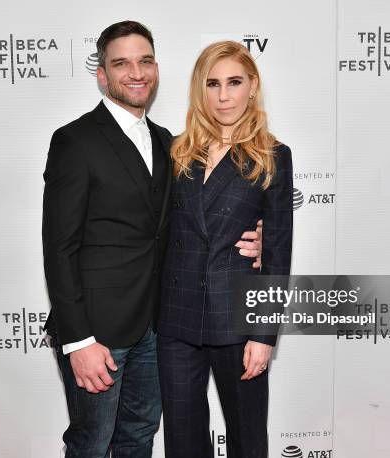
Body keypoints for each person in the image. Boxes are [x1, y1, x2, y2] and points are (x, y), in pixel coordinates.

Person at [41, 22, 262, 458]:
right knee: (91, 442)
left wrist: (259, 238)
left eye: (144, 61)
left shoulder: (172, 144)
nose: (135, 72)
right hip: (99, 334)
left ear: (156, 69)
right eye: (121, 63)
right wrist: (79, 341)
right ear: (102, 74)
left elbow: (198, 219)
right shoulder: (74, 140)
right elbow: (58, 248)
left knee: (139, 438)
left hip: (159, 329)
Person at [157, 40, 293, 458]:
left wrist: (264, 334)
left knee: (248, 438)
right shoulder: (176, 151)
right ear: (201, 90)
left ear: (252, 86)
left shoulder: (272, 156)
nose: (223, 95)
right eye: (213, 84)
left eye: (234, 82)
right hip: (177, 322)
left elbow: (278, 253)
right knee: (182, 442)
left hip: (239, 318)